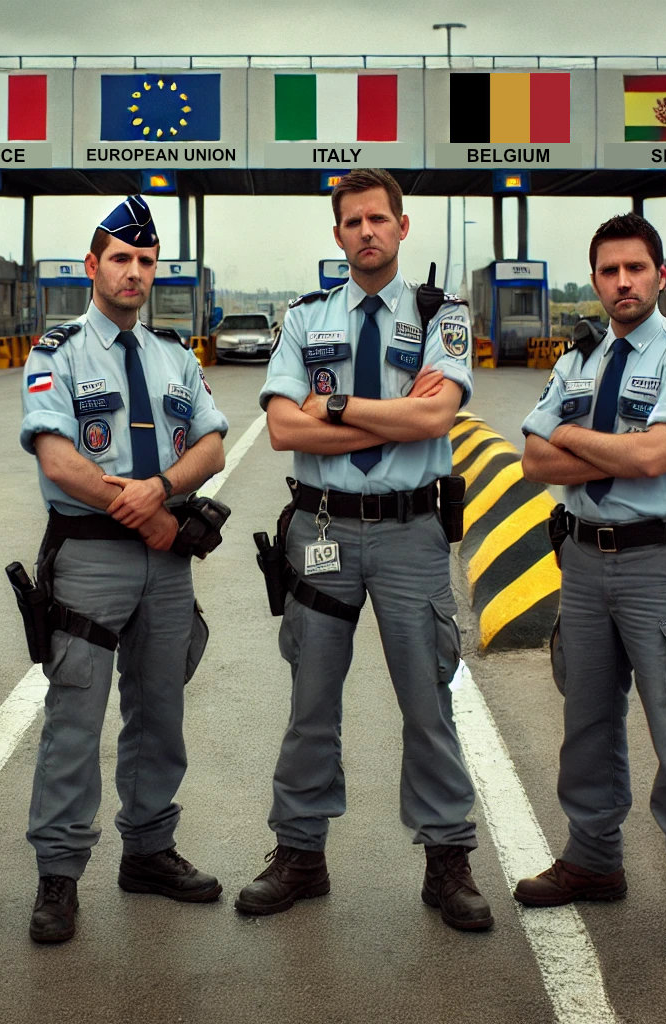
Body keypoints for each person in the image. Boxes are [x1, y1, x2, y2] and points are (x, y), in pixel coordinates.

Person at [237, 168, 492, 931]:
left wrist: (339, 405)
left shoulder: (442, 314)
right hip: (321, 528)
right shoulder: (304, 318)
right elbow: (285, 429)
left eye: (380, 219)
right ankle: (299, 854)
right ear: (339, 232)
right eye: (354, 222)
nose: (368, 232)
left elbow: (437, 417)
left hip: (413, 532)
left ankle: (447, 861)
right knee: (311, 701)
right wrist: (394, 413)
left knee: (428, 701)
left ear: (402, 228)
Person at [515, 212, 666, 958]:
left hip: (661, 565)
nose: (622, 283)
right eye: (608, 271)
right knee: (587, 723)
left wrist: (570, 436)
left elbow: (655, 458)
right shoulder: (578, 357)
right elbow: (532, 463)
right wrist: (600, 446)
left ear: (660, 276)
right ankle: (593, 858)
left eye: (635, 269)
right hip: (581, 561)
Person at [19, 195, 228, 944]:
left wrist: (165, 491)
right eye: (121, 258)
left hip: (165, 566)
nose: (134, 272)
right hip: (90, 557)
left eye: (145, 261)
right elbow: (56, 455)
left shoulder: (174, 355)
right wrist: (142, 504)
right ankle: (59, 874)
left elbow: (211, 445)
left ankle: (148, 850)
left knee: (159, 712)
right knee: (75, 717)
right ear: (93, 266)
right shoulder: (58, 351)